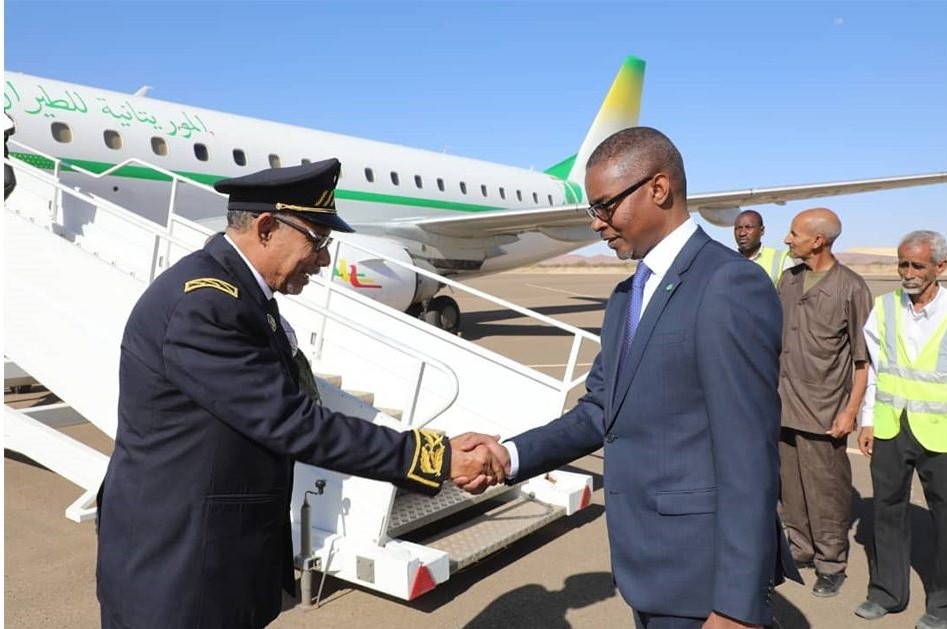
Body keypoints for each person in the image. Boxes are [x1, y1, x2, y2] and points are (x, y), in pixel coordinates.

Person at [95, 159, 503, 629]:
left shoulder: (238, 294)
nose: (324, 260)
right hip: (178, 569)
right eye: (317, 240)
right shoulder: (205, 304)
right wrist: (435, 457)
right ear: (267, 228)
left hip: (210, 557)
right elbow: (293, 422)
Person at [461, 127, 800, 628]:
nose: (596, 223)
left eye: (605, 206)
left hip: (704, 583)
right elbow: (601, 410)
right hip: (647, 569)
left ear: (658, 189)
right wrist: (508, 456)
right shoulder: (626, 298)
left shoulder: (727, 283)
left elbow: (748, 453)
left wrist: (737, 606)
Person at [853, 230, 947, 629]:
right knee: (886, 509)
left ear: (940, 267)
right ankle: (887, 593)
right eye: (902, 264)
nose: (907, 272)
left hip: (941, 433)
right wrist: (868, 419)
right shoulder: (885, 307)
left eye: (917, 265)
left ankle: (942, 603)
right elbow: (876, 370)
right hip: (892, 426)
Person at [777, 207, 872, 597]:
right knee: (791, 487)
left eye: (794, 233)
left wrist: (851, 412)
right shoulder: (788, 280)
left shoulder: (851, 288)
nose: (787, 239)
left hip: (825, 411)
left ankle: (831, 562)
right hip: (783, 406)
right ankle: (800, 548)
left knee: (827, 492)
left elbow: (863, 361)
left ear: (818, 240)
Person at [733, 209, 792, 284]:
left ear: (762, 230)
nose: (742, 233)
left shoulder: (781, 259)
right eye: (738, 228)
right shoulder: (729, 262)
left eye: (748, 227)